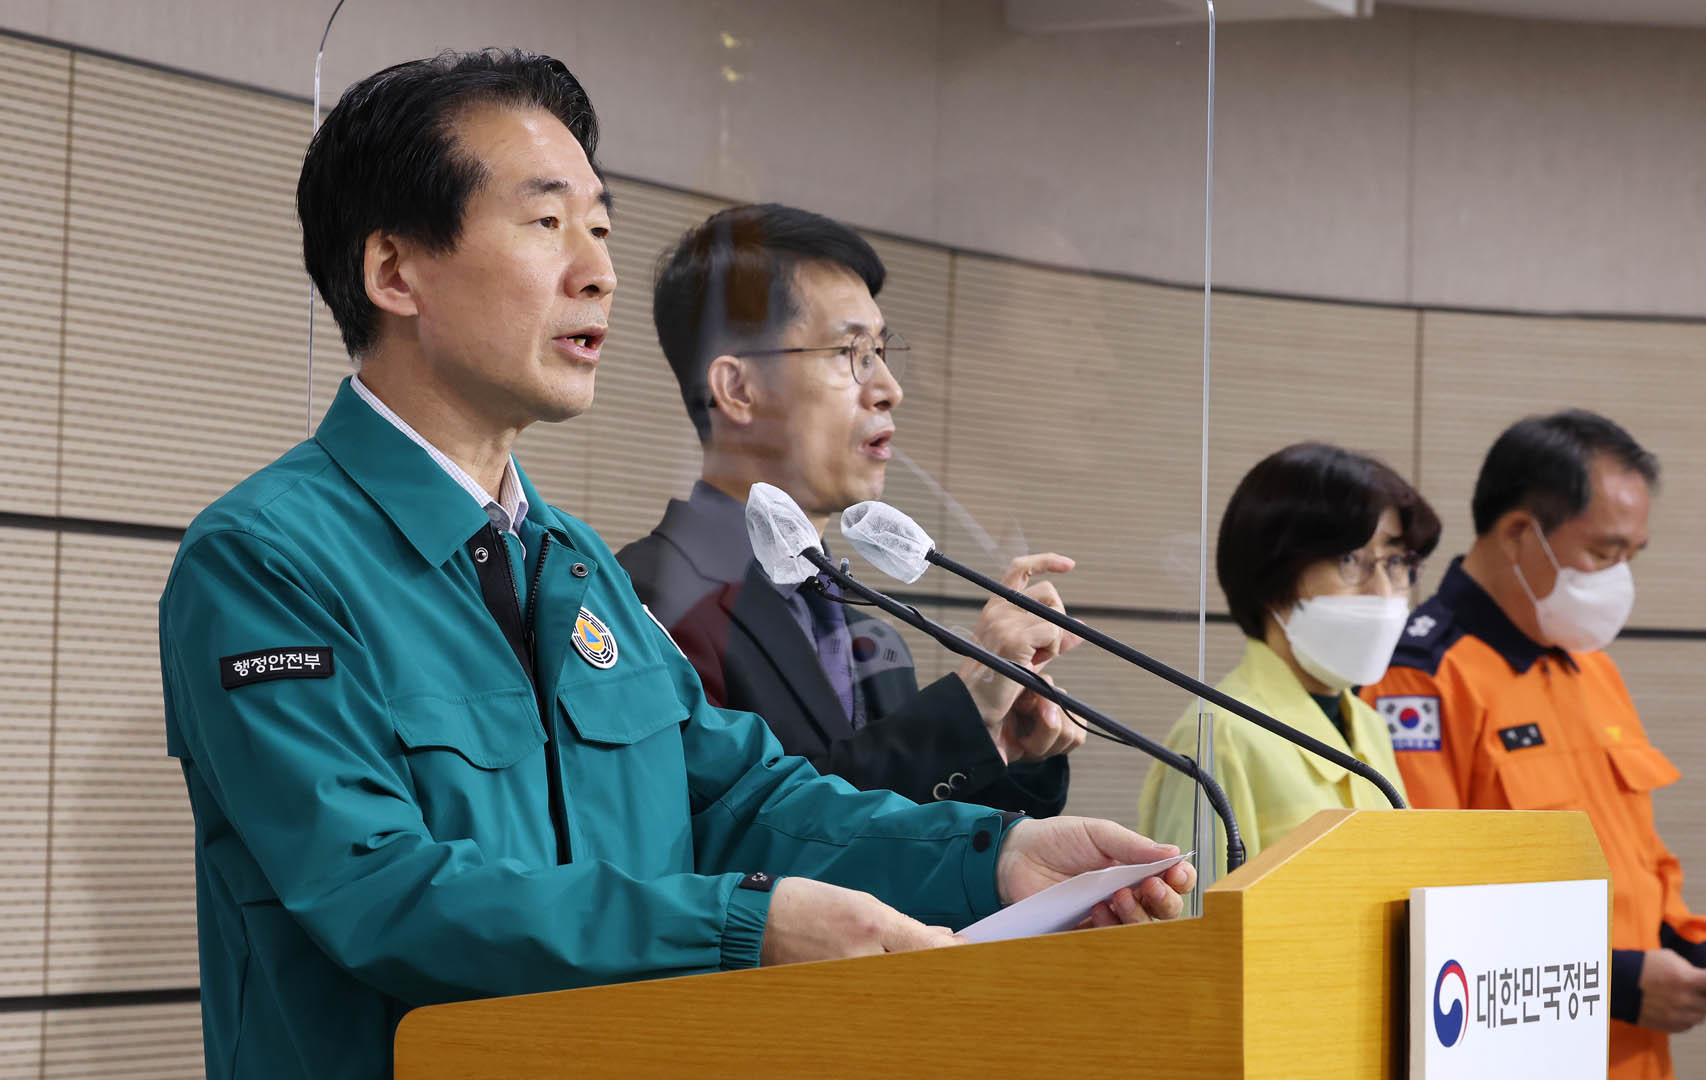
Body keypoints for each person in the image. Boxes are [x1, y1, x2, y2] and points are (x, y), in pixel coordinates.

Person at [158, 50, 1192, 1079]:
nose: (597, 270)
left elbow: (743, 803)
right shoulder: (265, 562)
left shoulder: (567, 562)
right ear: (395, 271)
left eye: (601, 228)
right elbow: (382, 892)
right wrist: (748, 925)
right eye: (546, 221)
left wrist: (993, 858)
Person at [1362, 410, 1706, 1080]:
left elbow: (1643, 868)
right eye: (1603, 554)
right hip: (1514, 1056)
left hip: (1632, 1057)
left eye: (1632, 557)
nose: (1618, 579)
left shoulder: (1591, 669)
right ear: (1520, 533)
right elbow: (1422, 913)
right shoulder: (1420, 678)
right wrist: (1619, 983)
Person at [618, 203, 1081, 814]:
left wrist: (1006, 743)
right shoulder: (645, 601)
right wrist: (963, 710)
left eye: (882, 352)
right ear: (737, 389)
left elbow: (915, 837)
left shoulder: (872, 631)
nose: (889, 388)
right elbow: (747, 830)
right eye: (851, 353)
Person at [1139, 444, 1436, 877]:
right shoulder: (1219, 737)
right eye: (1350, 559)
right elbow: (1192, 916)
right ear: (1273, 575)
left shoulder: (1368, 724)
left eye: (1394, 562)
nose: (1383, 591)